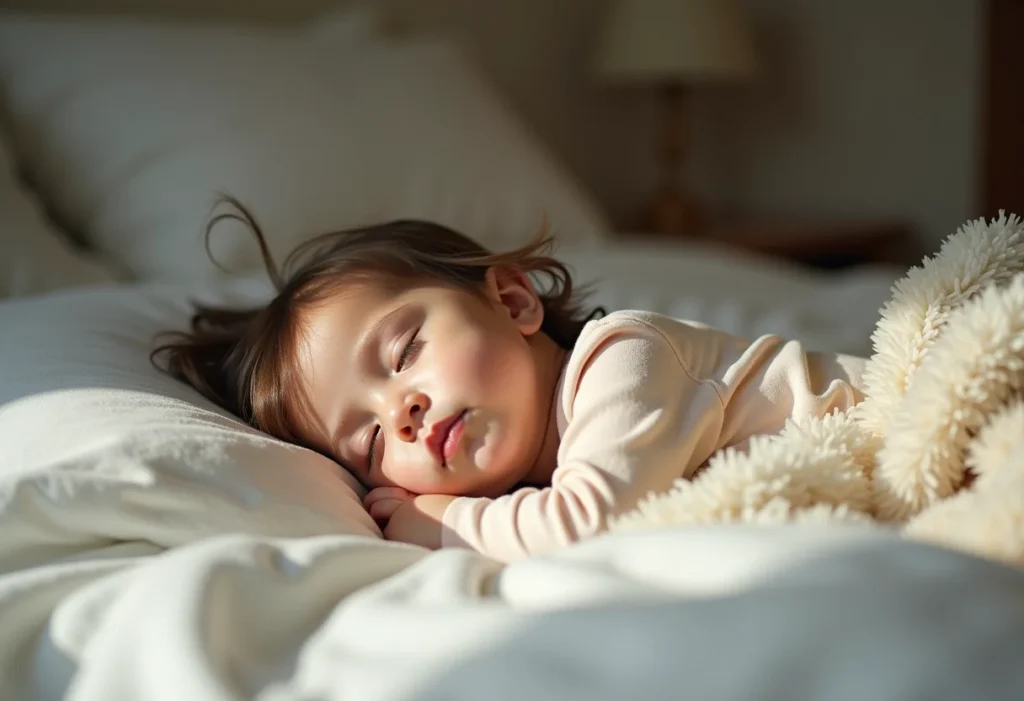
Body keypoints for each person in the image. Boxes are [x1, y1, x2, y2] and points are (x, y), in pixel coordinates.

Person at [155, 197, 865, 564]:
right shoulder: (528, 481)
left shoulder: (622, 358)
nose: (401, 412)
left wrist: (433, 521)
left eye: (403, 351)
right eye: (370, 440)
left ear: (515, 300)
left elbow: (591, 526)